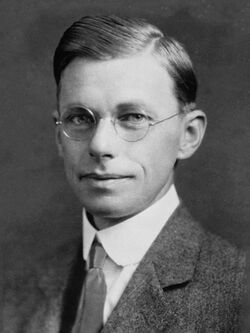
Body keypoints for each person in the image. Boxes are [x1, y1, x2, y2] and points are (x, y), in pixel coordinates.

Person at [3, 15, 245, 333]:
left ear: (188, 134)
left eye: (132, 116)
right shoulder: (18, 293)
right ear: (58, 135)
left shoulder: (238, 290)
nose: (100, 145)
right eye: (79, 118)